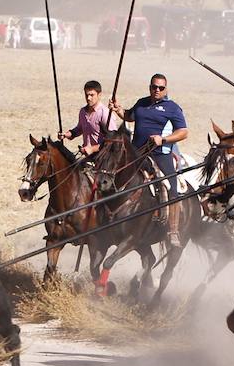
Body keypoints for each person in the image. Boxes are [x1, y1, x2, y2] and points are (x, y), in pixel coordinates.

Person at [110, 73, 190, 247]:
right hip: (136, 154)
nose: (157, 90)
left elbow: (183, 132)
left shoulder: (172, 108)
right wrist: (118, 110)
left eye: (161, 88)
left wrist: (164, 139)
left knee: (171, 186)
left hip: (160, 154)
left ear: (166, 89)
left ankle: (173, 230)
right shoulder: (142, 103)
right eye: (154, 87)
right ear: (150, 87)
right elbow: (130, 116)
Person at [62, 80, 117, 155]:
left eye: (92, 95)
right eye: (86, 95)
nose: (88, 98)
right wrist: (67, 134)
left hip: (104, 158)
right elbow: (80, 129)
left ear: (99, 95)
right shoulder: (83, 111)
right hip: (87, 155)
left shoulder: (105, 113)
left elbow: (113, 139)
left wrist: (92, 149)